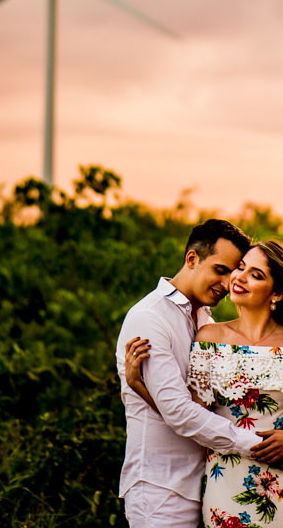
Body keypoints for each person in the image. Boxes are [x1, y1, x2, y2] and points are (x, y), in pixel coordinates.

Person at [127, 238, 283, 528]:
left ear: (278, 294)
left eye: (256, 275)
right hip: (228, 485)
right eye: (241, 268)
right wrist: (140, 387)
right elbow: (190, 418)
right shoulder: (209, 338)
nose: (239, 278)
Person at [116, 219, 270, 528]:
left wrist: (138, 387)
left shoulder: (204, 319)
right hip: (161, 489)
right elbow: (178, 411)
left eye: (234, 272)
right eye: (220, 270)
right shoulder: (150, 317)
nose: (228, 284)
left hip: (211, 485)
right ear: (191, 259)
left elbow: (202, 404)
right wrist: (259, 446)